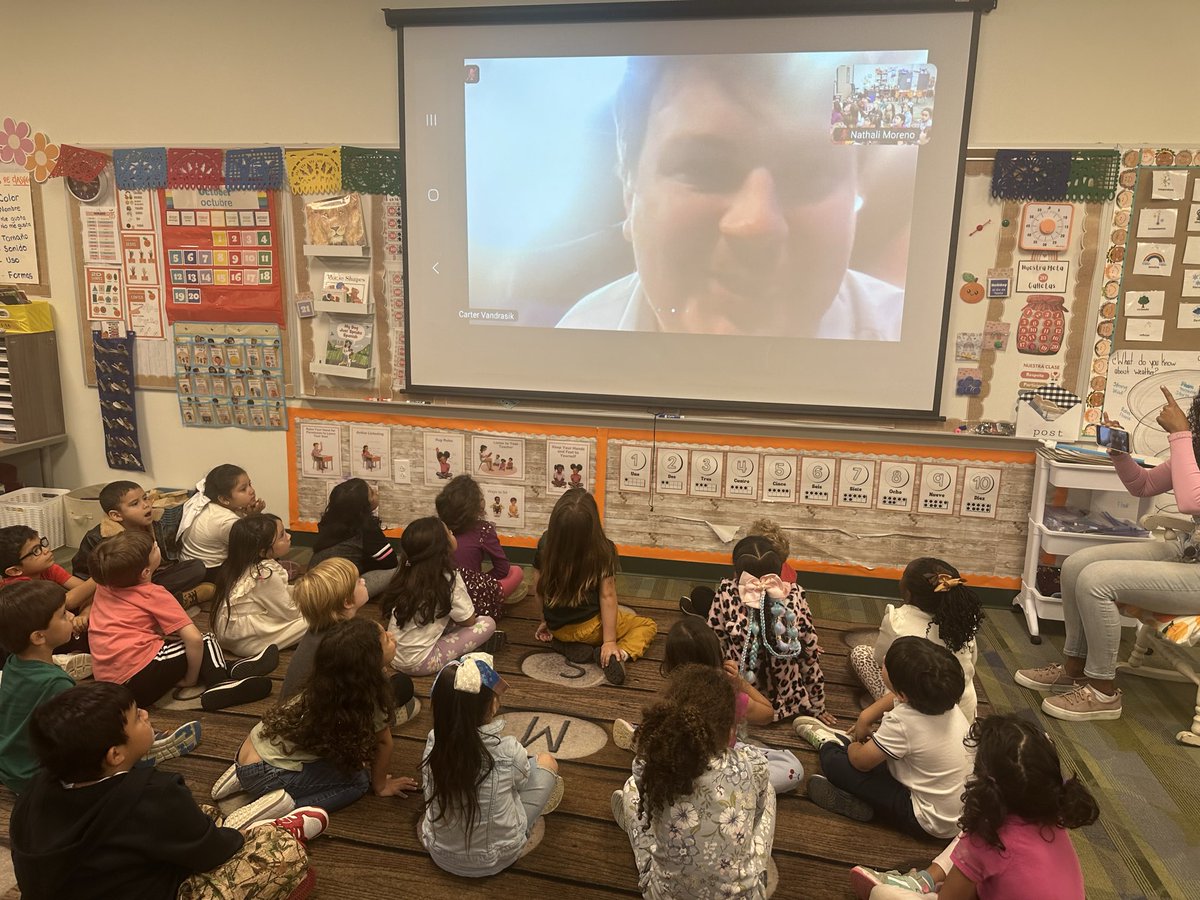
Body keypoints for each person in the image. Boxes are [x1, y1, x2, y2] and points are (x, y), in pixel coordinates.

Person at [556, 54, 902, 339]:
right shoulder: (574, 340)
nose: (756, 224)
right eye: (704, 169)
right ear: (630, 194)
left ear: (858, 193)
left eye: (810, 174)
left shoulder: (908, 342)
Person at [10, 681, 324, 900]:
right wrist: (241, 841)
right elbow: (214, 853)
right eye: (136, 718)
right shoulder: (154, 794)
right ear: (115, 755)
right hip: (160, 885)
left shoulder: (35, 791)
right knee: (283, 855)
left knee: (197, 815)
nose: (145, 714)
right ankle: (269, 829)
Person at [1015, 387, 1200, 722]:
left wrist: (1181, 434)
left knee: (1097, 581)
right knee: (1075, 566)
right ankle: (1075, 667)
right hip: (1189, 551)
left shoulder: (1187, 442)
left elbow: (1192, 501)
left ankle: (1103, 690)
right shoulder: (1193, 448)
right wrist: (1119, 454)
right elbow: (1142, 486)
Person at [850, 715, 1098, 899]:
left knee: (883, 895)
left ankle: (920, 886)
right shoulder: (1054, 813)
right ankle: (926, 883)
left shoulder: (987, 839)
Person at [613, 664, 775, 899]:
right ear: (731, 729)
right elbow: (757, 813)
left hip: (664, 895)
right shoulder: (753, 763)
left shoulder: (648, 764)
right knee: (767, 790)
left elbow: (651, 808)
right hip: (745, 896)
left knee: (631, 788)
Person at [226, 618, 418, 814]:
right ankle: (281, 808)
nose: (392, 636)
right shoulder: (369, 698)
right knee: (358, 782)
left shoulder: (327, 682)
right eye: (386, 639)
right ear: (370, 661)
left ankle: (242, 778)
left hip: (248, 751)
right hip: (270, 774)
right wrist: (381, 786)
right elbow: (383, 744)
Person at [794, 637, 971, 840]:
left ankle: (830, 743)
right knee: (881, 756)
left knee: (836, 763)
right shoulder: (941, 701)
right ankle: (862, 800)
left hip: (926, 821)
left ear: (904, 695)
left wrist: (854, 745)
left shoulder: (904, 722)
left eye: (886, 664)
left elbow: (860, 763)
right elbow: (896, 697)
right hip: (958, 813)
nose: (884, 659)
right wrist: (865, 716)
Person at [87, 530, 277, 712]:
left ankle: (235, 668)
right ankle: (220, 684)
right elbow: (193, 639)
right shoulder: (154, 594)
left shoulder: (104, 586)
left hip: (114, 687)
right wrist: (190, 679)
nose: (156, 545)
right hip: (141, 674)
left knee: (184, 650)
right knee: (206, 641)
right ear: (145, 572)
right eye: (153, 548)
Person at [612, 618, 803, 795]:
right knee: (792, 767)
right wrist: (740, 681)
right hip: (722, 769)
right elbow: (767, 713)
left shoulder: (670, 697)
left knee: (654, 753)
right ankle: (732, 789)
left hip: (680, 769)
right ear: (717, 656)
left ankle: (642, 736)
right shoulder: (731, 699)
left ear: (670, 664)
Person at [419, 652, 564, 877]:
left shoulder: (432, 743)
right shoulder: (508, 750)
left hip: (438, 851)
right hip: (496, 856)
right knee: (546, 762)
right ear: (492, 705)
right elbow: (522, 781)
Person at [532, 490, 657, 685]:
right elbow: (607, 596)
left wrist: (545, 620)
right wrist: (609, 641)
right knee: (646, 625)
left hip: (556, 627)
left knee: (575, 629)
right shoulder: (603, 550)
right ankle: (615, 655)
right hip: (590, 629)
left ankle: (564, 644)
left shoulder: (545, 543)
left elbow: (537, 588)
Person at [849, 558, 983, 739]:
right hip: (962, 715)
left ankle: (883, 708)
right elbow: (972, 663)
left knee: (861, 654)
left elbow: (881, 658)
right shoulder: (963, 623)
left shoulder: (897, 621)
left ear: (909, 593)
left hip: (914, 707)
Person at [707, 535, 832, 723]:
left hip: (744, 702)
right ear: (780, 569)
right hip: (790, 704)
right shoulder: (795, 595)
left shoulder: (725, 594)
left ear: (737, 570)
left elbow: (714, 645)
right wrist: (817, 706)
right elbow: (809, 653)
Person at [380, 517, 499, 677]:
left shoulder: (406, 572)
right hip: (419, 662)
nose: (452, 532)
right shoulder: (448, 578)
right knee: (487, 623)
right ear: (442, 548)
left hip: (393, 654)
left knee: (446, 619)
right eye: (449, 533)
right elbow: (468, 620)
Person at [70, 481, 208, 605]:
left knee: (197, 567)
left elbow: (167, 561)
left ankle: (155, 600)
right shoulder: (99, 538)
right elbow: (83, 576)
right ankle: (167, 601)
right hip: (118, 587)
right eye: (135, 504)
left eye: (145, 498)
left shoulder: (157, 523)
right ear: (116, 515)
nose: (146, 505)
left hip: (150, 577)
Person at [210, 515, 307, 659]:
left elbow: (278, 595)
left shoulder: (242, 563)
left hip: (229, 633)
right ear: (263, 551)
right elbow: (290, 612)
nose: (289, 536)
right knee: (318, 619)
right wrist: (314, 601)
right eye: (282, 535)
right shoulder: (265, 574)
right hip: (247, 641)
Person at [436, 474, 525, 618]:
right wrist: (480, 581)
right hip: (470, 600)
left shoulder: (436, 528)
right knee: (517, 572)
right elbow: (503, 569)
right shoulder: (483, 529)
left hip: (438, 595)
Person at [0, 525, 97, 656]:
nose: (46, 550)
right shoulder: (17, 587)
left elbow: (85, 590)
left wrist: (84, 613)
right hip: (28, 640)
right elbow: (67, 602)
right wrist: (98, 577)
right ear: (15, 570)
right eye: (36, 551)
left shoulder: (47, 568)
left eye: (42, 544)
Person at [178, 464, 267, 580]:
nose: (252, 491)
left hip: (188, 565)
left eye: (250, 484)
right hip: (209, 571)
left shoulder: (211, 504)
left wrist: (249, 516)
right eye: (243, 489)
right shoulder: (226, 521)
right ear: (224, 499)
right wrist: (255, 516)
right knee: (262, 557)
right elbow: (252, 545)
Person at [311, 478, 396, 598]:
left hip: (311, 583)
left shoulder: (329, 522)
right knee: (400, 569)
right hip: (334, 593)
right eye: (371, 493)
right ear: (363, 507)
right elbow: (391, 562)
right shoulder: (368, 529)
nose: (377, 494)